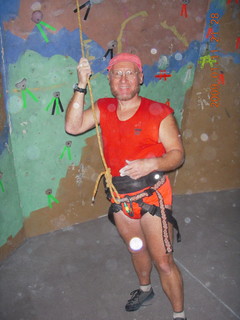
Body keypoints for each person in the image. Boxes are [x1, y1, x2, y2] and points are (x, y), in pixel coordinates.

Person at [65, 53, 186, 320]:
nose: (123, 79)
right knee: (136, 248)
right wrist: (81, 84)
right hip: (120, 198)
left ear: (140, 77)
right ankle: (145, 289)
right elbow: (72, 127)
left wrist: (152, 163)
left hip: (152, 197)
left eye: (130, 73)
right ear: (108, 79)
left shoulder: (159, 113)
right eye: (116, 73)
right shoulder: (104, 107)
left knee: (163, 262)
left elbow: (177, 154)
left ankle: (179, 315)